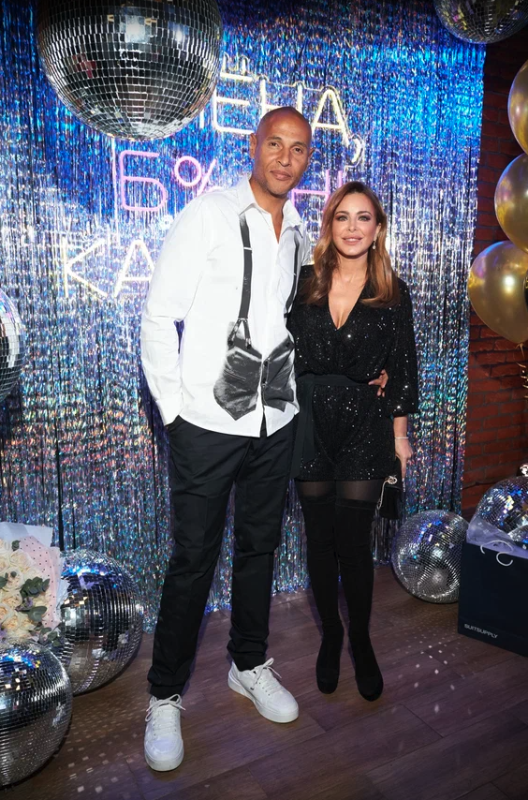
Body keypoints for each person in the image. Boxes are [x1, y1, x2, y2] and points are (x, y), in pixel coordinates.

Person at [140, 106, 315, 772]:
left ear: (307, 160)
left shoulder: (299, 233)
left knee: (259, 547)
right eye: (275, 144)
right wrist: (175, 413)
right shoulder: (208, 215)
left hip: (275, 419)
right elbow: (159, 316)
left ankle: (248, 663)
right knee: (193, 559)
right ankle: (164, 694)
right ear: (253, 146)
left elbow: (287, 326)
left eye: (298, 149)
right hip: (206, 425)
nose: (285, 158)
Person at [288, 181, 418, 701]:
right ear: (330, 225)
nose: (353, 227)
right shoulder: (303, 283)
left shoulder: (393, 293)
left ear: (378, 229)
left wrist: (400, 439)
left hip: (366, 423)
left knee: (353, 543)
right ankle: (331, 635)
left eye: (364, 218)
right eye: (343, 217)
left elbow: (403, 370)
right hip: (308, 422)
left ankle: (361, 642)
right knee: (319, 540)